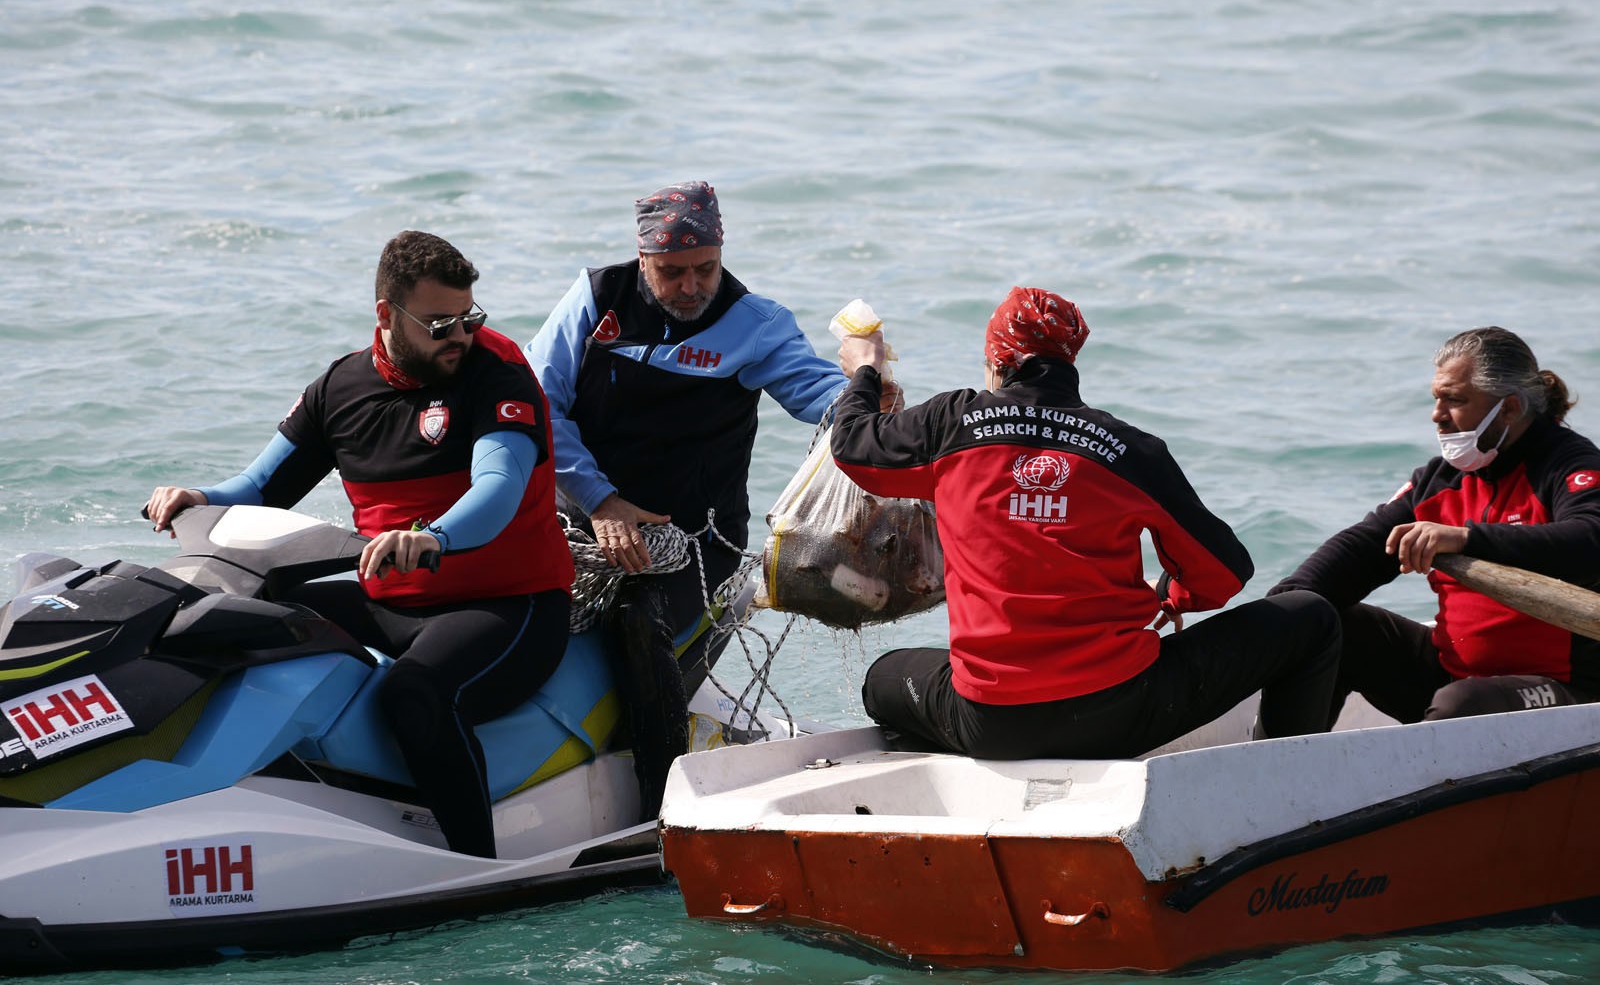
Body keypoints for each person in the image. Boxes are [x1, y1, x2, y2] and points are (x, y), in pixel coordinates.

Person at [145, 230, 575, 858]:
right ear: (386, 316)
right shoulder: (339, 389)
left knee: (416, 693)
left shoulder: (497, 372)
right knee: (238, 617)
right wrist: (199, 498)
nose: (460, 334)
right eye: (440, 322)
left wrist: (432, 536)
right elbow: (262, 485)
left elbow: (500, 486)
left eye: (469, 317)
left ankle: (473, 862)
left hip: (511, 605)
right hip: (393, 601)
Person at [830, 286, 1341, 759]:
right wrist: (1170, 595)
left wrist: (866, 371)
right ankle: (1282, 781)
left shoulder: (949, 425)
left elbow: (852, 445)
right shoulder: (1129, 450)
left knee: (884, 680)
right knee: (1310, 619)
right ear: (1070, 360)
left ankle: (968, 793)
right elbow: (1225, 574)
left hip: (988, 722)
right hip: (1119, 713)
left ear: (996, 362)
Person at [524, 180, 883, 816]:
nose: (691, 287)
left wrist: (870, 392)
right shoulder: (594, 299)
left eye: (705, 269)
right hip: (586, 517)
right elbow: (536, 405)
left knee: (638, 617)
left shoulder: (755, 323)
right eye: (671, 272)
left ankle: (658, 809)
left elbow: (825, 403)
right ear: (642, 261)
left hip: (693, 540)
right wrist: (601, 501)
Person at [1271, 326, 1600, 725]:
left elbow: (1590, 539)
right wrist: (1282, 606)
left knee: (1463, 707)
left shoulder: (1571, 466)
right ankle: (1276, 770)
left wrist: (1465, 538)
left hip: (1568, 690)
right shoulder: (1440, 479)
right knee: (1322, 622)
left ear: (1510, 408)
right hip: (1453, 678)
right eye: (1436, 399)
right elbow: (1364, 547)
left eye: (1455, 400)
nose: (1437, 415)